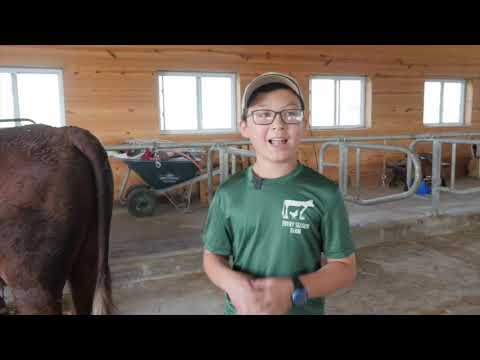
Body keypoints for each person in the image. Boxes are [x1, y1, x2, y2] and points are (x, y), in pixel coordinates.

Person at [202, 72, 356, 315]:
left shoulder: (324, 193)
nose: (278, 124)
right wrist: (232, 282)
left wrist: (295, 289)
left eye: (290, 114)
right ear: (244, 127)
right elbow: (213, 256)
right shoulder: (229, 193)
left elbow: (345, 266)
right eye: (263, 114)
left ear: (304, 125)